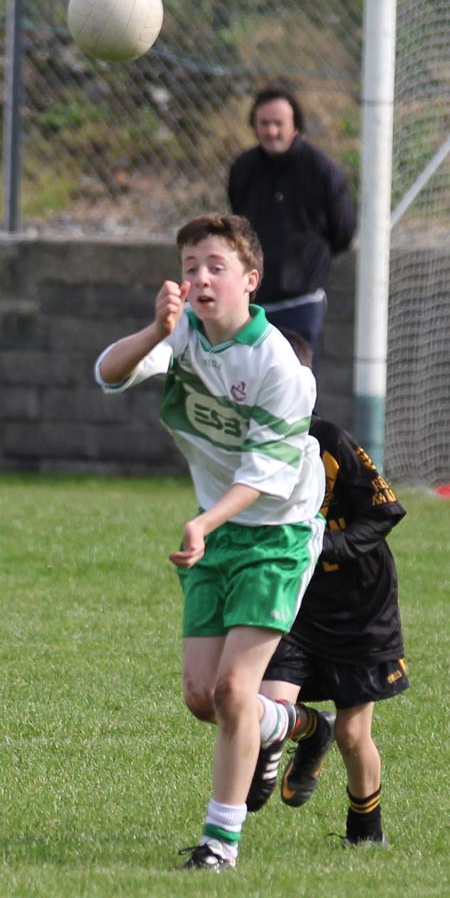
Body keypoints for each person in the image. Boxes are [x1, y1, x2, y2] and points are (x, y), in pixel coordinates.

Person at [94, 214, 325, 872]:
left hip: (275, 532)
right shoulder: (184, 334)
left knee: (231, 691)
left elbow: (263, 475)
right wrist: (155, 332)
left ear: (250, 281)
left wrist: (203, 523)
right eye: (190, 265)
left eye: (214, 266)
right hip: (216, 530)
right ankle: (299, 725)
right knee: (204, 698)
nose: (199, 278)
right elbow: (109, 374)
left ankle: (219, 845)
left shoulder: (279, 363)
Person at [247, 330, 409, 847]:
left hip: (361, 611)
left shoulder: (330, 442)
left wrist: (323, 546)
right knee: (265, 707)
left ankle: (366, 832)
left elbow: (385, 513)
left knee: (353, 734)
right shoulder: (248, 447)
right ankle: (307, 731)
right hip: (296, 604)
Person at [228, 86, 357, 365]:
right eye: (264, 123)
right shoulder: (243, 169)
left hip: (300, 303)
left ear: (295, 126)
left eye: (279, 124)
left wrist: (305, 263)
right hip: (252, 302)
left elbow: (344, 230)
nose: (271, 131)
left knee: (296, 382)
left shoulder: (322, 171)